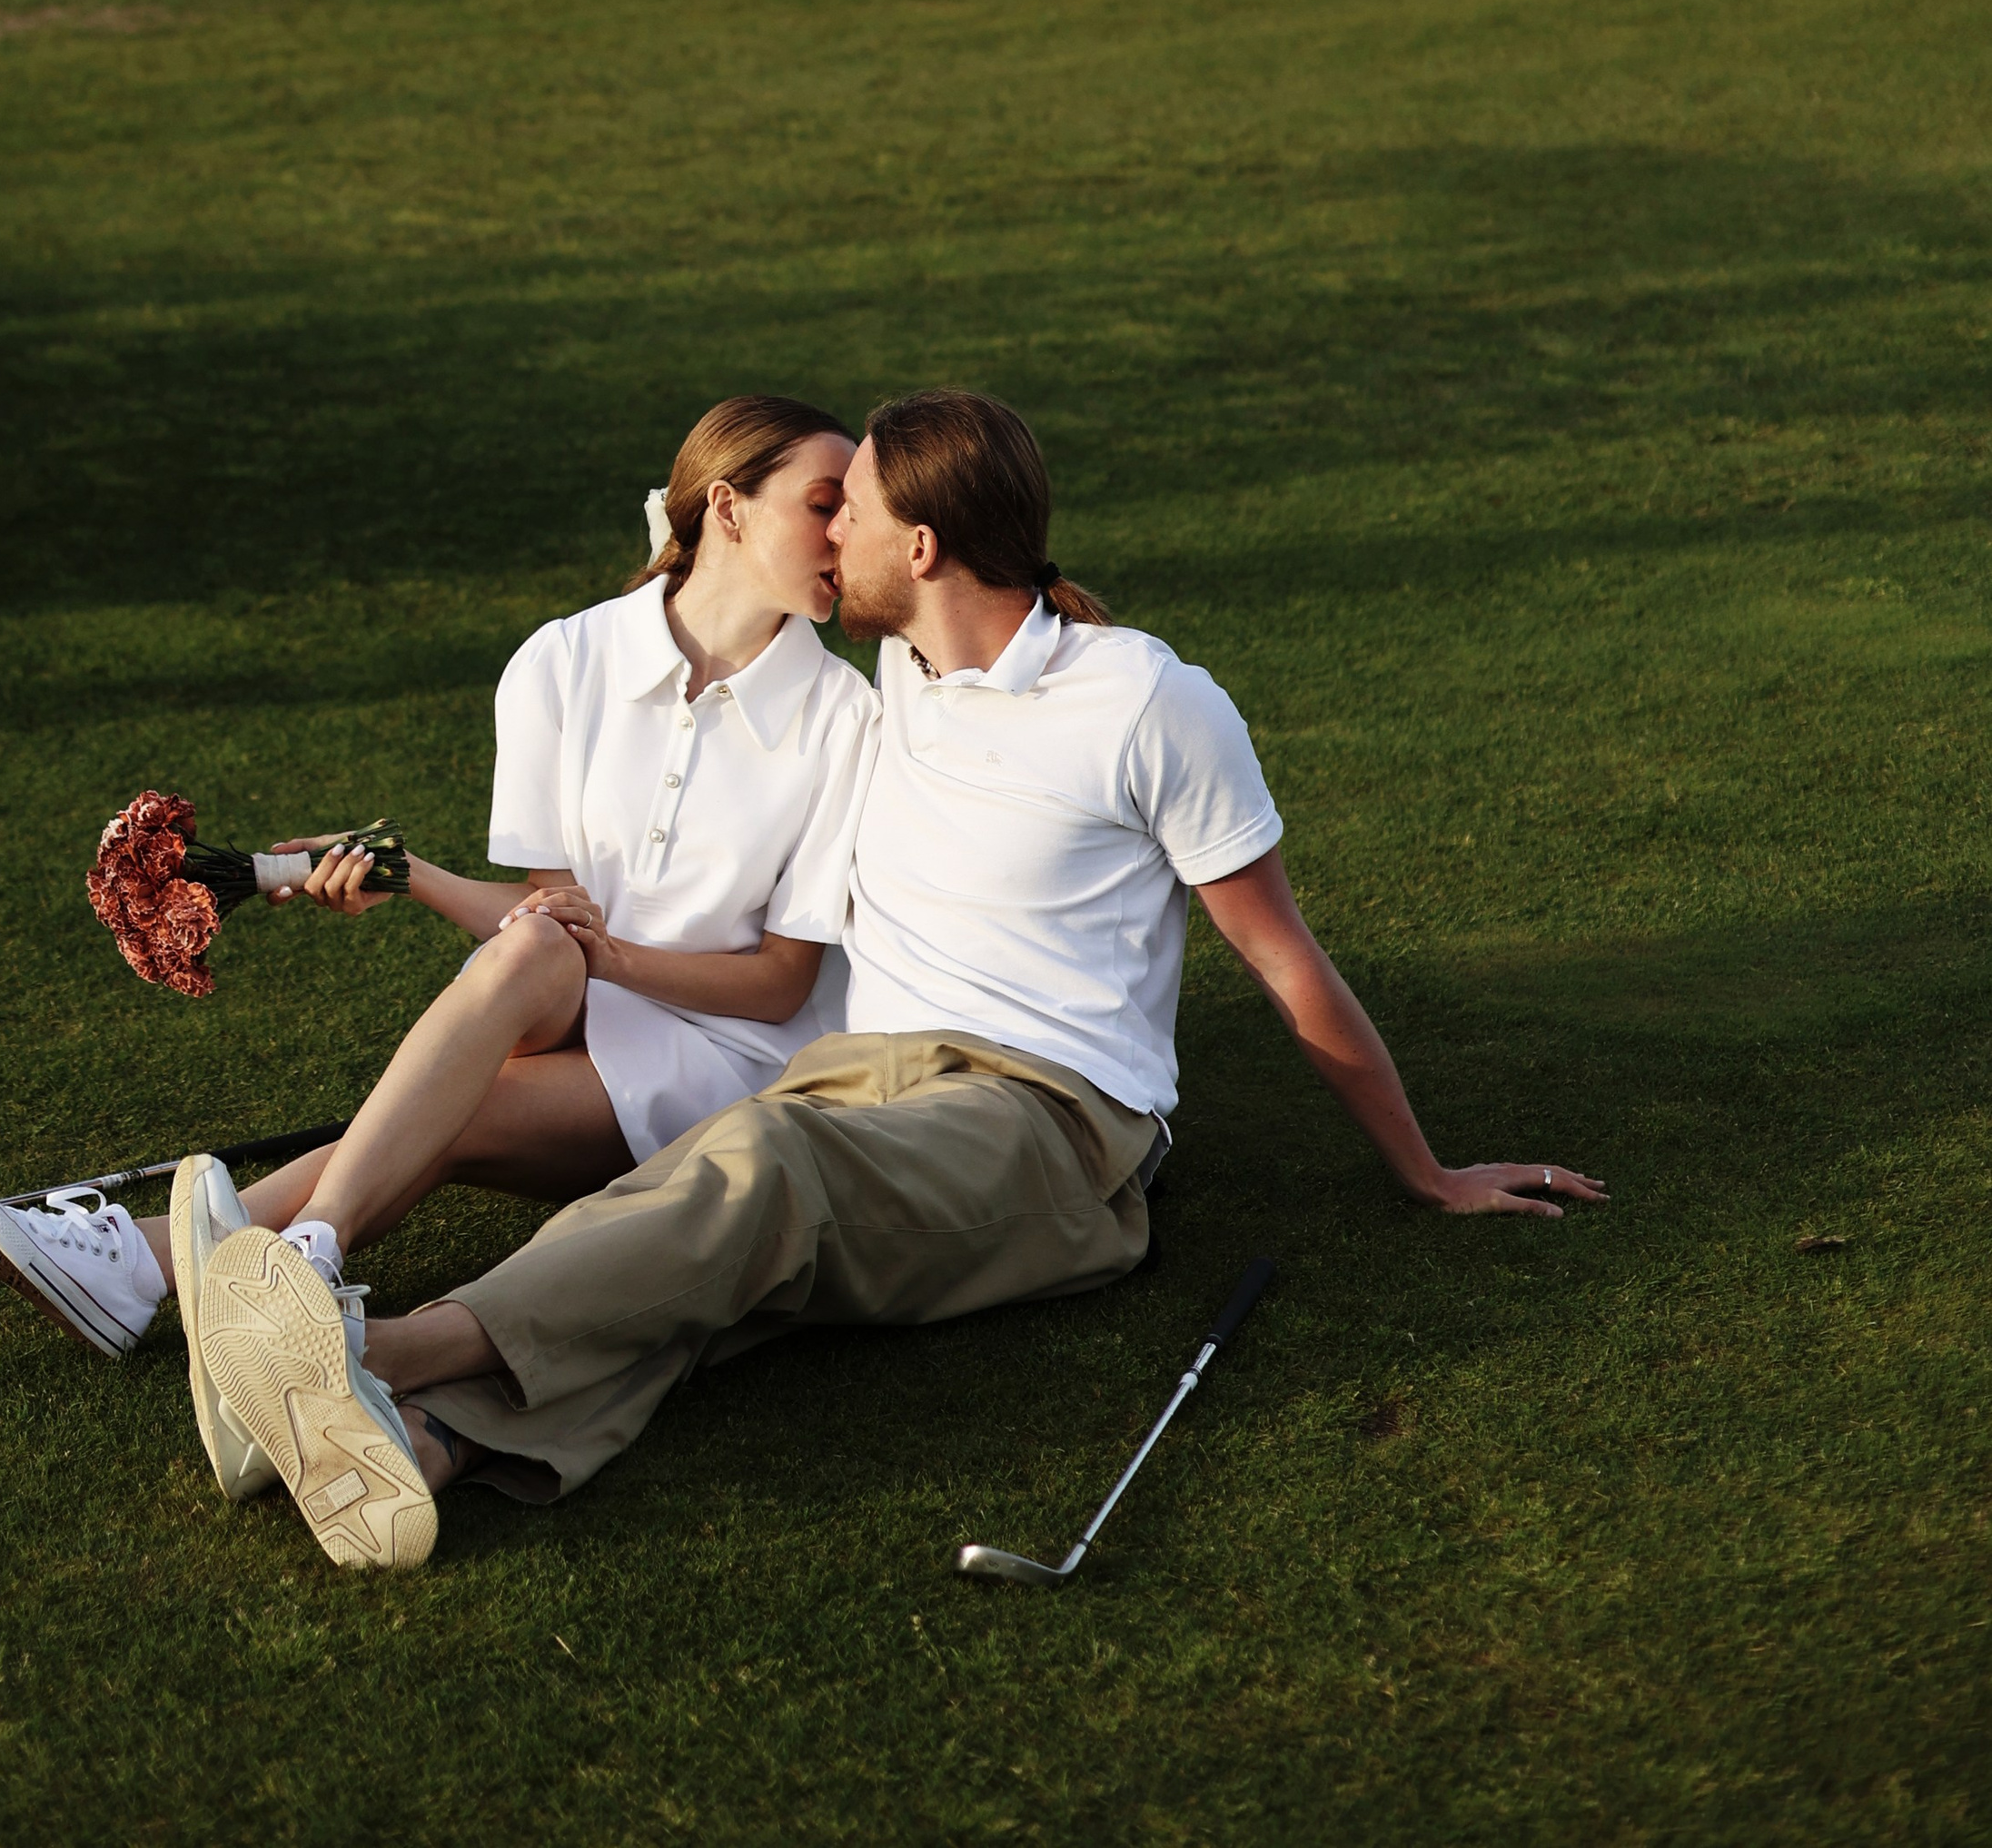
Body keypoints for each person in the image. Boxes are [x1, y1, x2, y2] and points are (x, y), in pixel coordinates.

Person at [181, 386, 1607, 1569]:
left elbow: (1282, 956)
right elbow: (690, 583)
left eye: (847, 514)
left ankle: (372, 1352)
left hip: (1057, 1129)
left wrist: (1426, 1172)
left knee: (760, 1176)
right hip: (856, 1084)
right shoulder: (898, 686)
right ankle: (417, 1445)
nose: (828, 540)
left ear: (919, 548)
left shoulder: (1146, 703)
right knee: (707, 1263)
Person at [0, 396, 874, 1506]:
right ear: (727, 506)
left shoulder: (844, 717)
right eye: (826, 504)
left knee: (464, 1093)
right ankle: (276, 1265)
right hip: (573, 993)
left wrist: (606, 959)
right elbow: (551, 911)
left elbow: (780, 985)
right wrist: (406, 873)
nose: (849, 534)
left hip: (724, 1055)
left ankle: (205, 1259)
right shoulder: (562, 661)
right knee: (526, 960)